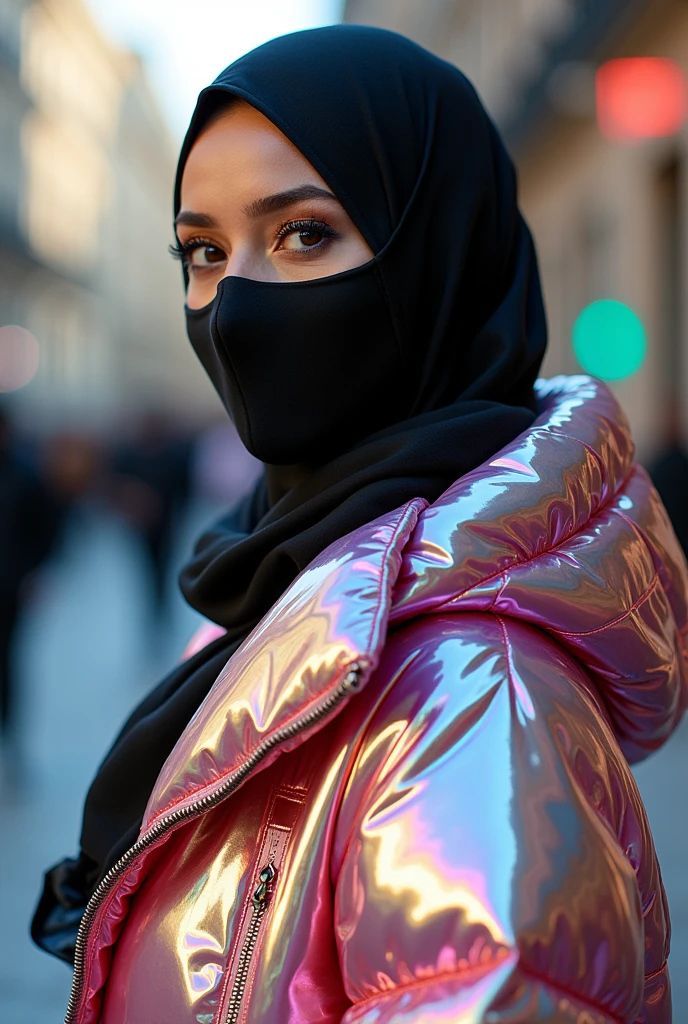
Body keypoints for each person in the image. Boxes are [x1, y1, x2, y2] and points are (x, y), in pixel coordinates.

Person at [32, 27, 686, 1023]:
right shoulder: (293, 581)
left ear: (438, 256)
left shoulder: (467, 704)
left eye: (302, 234)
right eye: (203, 251)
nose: (234, 305)